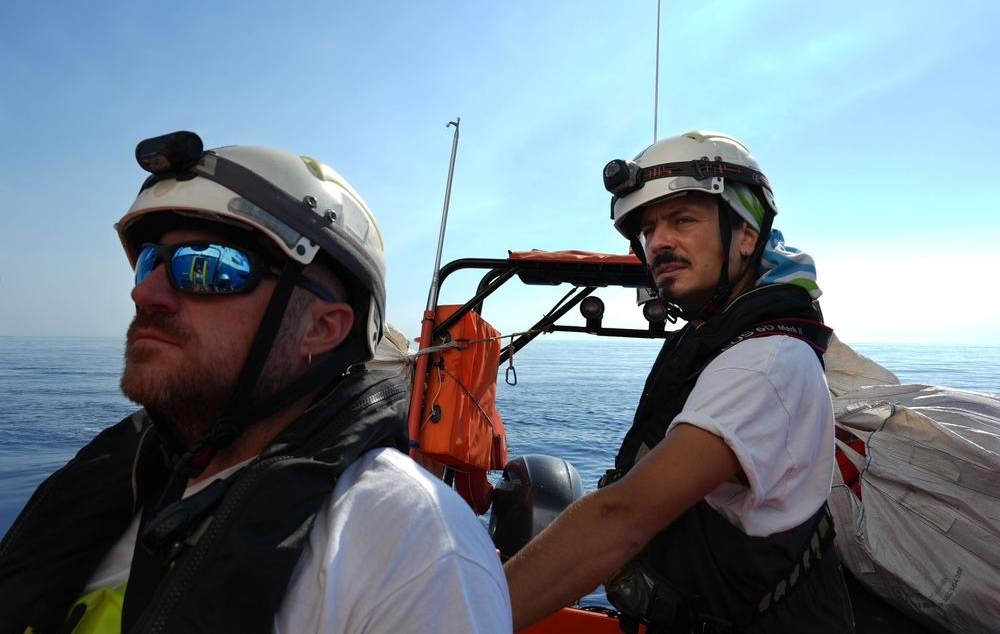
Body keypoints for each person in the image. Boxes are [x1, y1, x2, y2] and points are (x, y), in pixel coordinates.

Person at [0, 131, 511, 634]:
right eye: (151, 263)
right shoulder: (129, 480)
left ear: (323, 327)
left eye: (207, 267)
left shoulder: (412, 548)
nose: (147, 293)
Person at [504, 131, 854, 632]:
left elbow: (620, 518)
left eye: (682, 220)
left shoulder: (765, 363)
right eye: (648, 230)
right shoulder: (720, 339)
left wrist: (470, 611)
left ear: (748, 234)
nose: (659, 242)